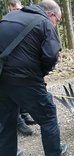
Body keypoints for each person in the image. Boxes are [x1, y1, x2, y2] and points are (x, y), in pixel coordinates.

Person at [0, 0, 68, 156]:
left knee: (6, 120)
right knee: (48, 115)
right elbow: (51, 56)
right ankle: (54, 153)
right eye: (58, 20)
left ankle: (7, 154)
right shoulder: (45, 23)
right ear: (51, 14)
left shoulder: (10, 17)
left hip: (1, 77)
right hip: (25, 78)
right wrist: (40, 75)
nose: (56, 24)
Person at [7, 0, 36, 137]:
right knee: (11, 92)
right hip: (8, 64)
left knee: (23, 87)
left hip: (21, 62)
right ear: (9, 8)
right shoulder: (6, 23)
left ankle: (24, 114)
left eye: (18, 8)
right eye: (13, 9)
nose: (16, 11)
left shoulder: (24, 20)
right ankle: (18, 121)